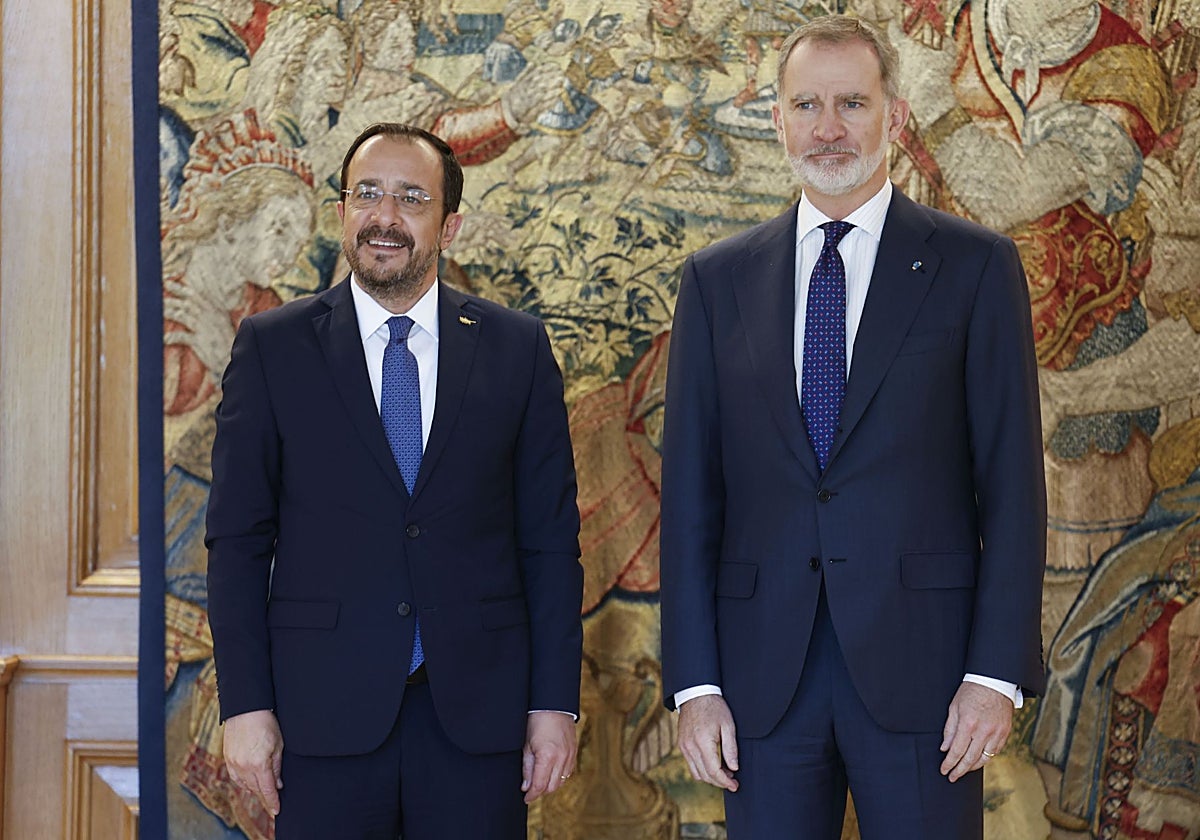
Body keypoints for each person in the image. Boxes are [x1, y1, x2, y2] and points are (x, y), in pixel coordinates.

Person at [658, 15, 1046, 840]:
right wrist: (695, 686)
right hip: (761, 682)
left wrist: (993, 676)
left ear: (894, 117)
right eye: (806, 105)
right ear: (778, 120)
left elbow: (1013, 486)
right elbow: (691, 495)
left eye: (851, 104)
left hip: (930, 680)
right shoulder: (717, 280)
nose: (827, 128)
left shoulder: (975, 267)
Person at [205, 122, 584, 839]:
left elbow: (550, 544)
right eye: (367, 194)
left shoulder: (517, 348)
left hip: (479, 720)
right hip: (320, 719)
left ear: (450, 224)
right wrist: (245, 707)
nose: (385, 216)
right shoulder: (273, 347)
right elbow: (237, 543)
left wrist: (553, 705)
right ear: (343, 212)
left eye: (411, 198)